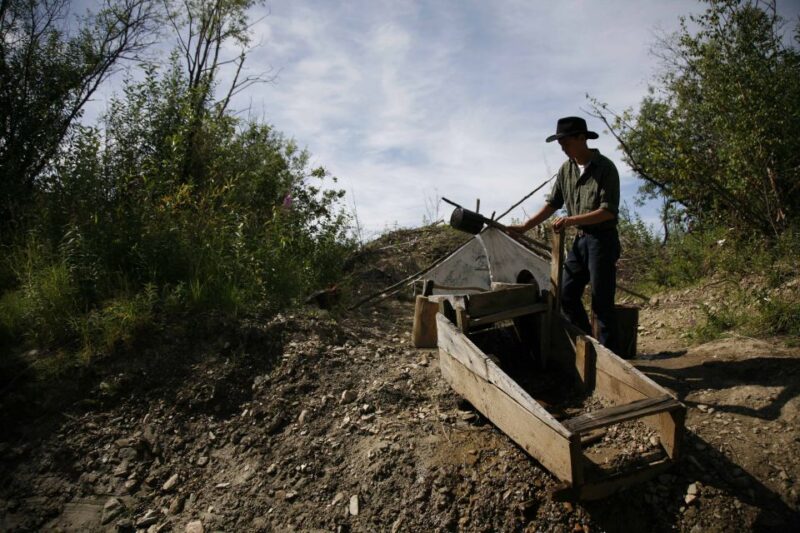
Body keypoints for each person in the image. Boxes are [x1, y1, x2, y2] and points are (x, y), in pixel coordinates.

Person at [508, 116, 621, 350]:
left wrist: (571, 220)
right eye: (560, 144)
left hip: (602, 241)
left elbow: (607, 212)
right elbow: (553, 204)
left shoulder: (605, 168)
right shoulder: (566, 169)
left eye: (566, 143)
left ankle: (612, 357)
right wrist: (525, 227)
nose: (563, 148)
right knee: (566, 295)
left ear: (582, 138)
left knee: (601, 302)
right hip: (581, 241)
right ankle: (589, 347)